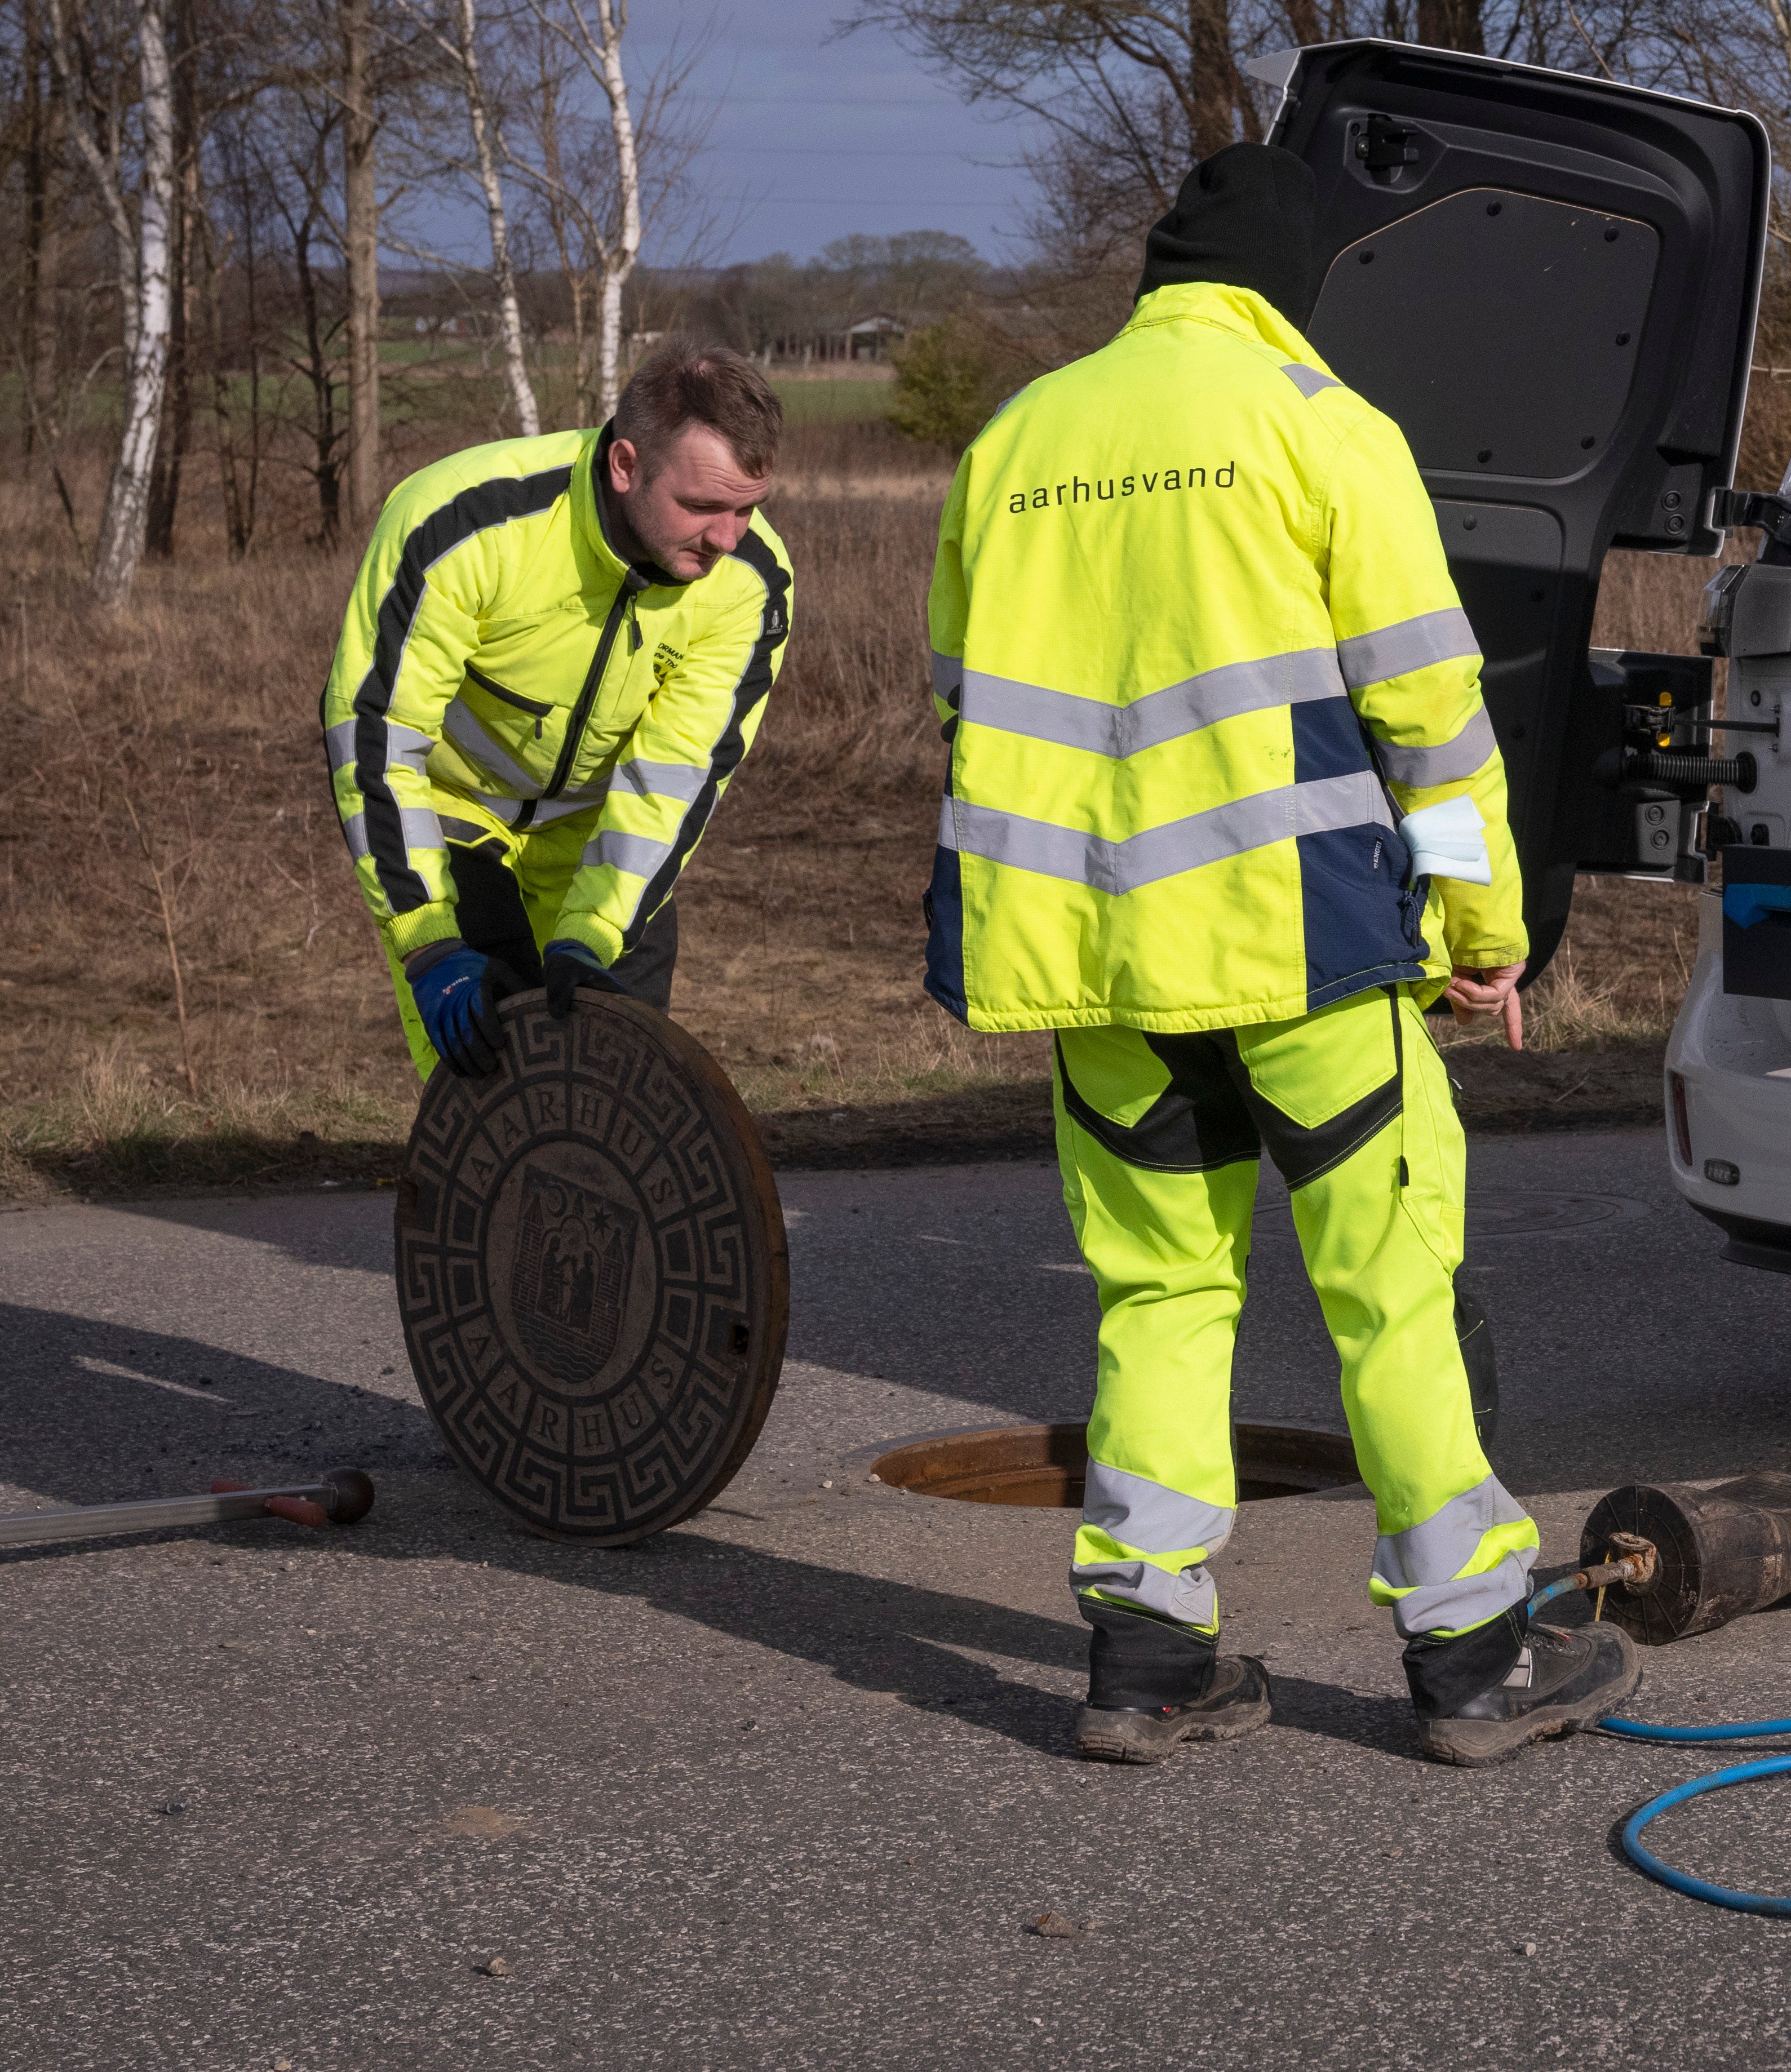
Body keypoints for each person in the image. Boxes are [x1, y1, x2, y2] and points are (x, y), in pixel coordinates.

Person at [921, 143, 1633, 1767]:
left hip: (1094, 964)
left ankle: (1148, 1656)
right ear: (1298, 285)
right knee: (1389, 1288)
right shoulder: (1323, 430)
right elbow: (1432, 722)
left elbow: (967, 708)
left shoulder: (1014, 440)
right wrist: (1485, 935)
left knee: (1160, 1291)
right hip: (1301, 951)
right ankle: (1472, 1662)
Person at [323, 341, 795, 1078]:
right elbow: (379, 735)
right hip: (456, 813)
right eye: (702, 506)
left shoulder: (750, 583)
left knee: (619, 1093)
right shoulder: (462, 520)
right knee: (491, 1089)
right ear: (625, 465)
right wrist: (429, 939)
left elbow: (671, 782)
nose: (726, 540)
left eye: (749, 508)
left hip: (594, 827)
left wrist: (591, 936)